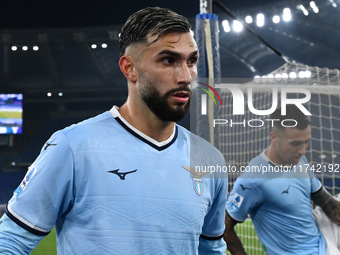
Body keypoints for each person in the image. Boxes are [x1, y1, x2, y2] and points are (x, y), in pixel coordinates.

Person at [0, 7, 228, 254]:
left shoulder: (209, 159)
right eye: (168, 60)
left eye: (191, 61)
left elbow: (211, 249)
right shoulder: (73, 147)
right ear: (129, 68)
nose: (186, 76)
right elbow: (10, 243)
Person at [224, 104, 340, 255]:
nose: (303, 151)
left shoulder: (300, 160)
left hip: (324, 243)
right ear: (274, 138)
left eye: (306, 142)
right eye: (295, 144)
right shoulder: (253, 179)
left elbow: (324, 201)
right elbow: (224, 227)